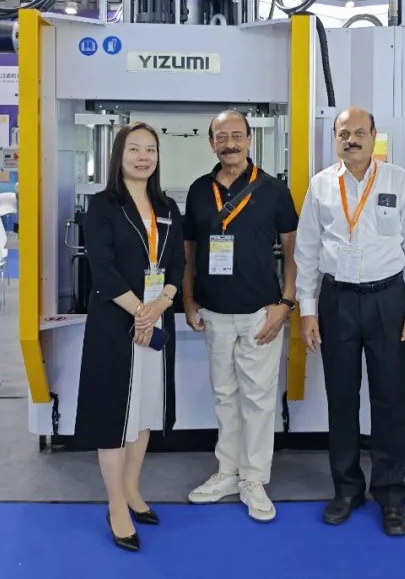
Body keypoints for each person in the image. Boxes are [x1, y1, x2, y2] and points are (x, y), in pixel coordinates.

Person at [294, 106, 405, 537]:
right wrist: (308, 310)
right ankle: (347, 489)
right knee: (341, 398)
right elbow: (306, 251)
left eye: (358, 132)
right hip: (337, 301)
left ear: (374, 136)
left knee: (391, 399)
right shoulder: (321, 185)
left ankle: (391, 495)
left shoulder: (398, 181)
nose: (350, 140)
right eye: (343, 133)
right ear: (335, 139)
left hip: (388, 300)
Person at [182, 110, 299, 522]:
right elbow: (190, 251)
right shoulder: (199, 190)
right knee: (224, 396)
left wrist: (285, 303)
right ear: (211, 142)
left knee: (259, 400)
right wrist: (189, 300)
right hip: (214, 312)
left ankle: (253, 478)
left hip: (259, 313)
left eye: (236, 135)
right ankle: (227, 472)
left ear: (250, 140)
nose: (229, 143)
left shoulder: (273, 190)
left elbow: (293, 251)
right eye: (221, 136)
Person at [75, 122, 184, 553]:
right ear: (118, 155)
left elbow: (177, 265)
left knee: (144, 411)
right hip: (115, 323)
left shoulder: (167, 206)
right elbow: (102, 270)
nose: (143, 157)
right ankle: (116, 504)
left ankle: (134, 489)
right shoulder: (103, 206)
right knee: (113, 415)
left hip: (155, 320)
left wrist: (160, 305)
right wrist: (141, 311)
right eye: (134, 149)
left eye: (150, 149)